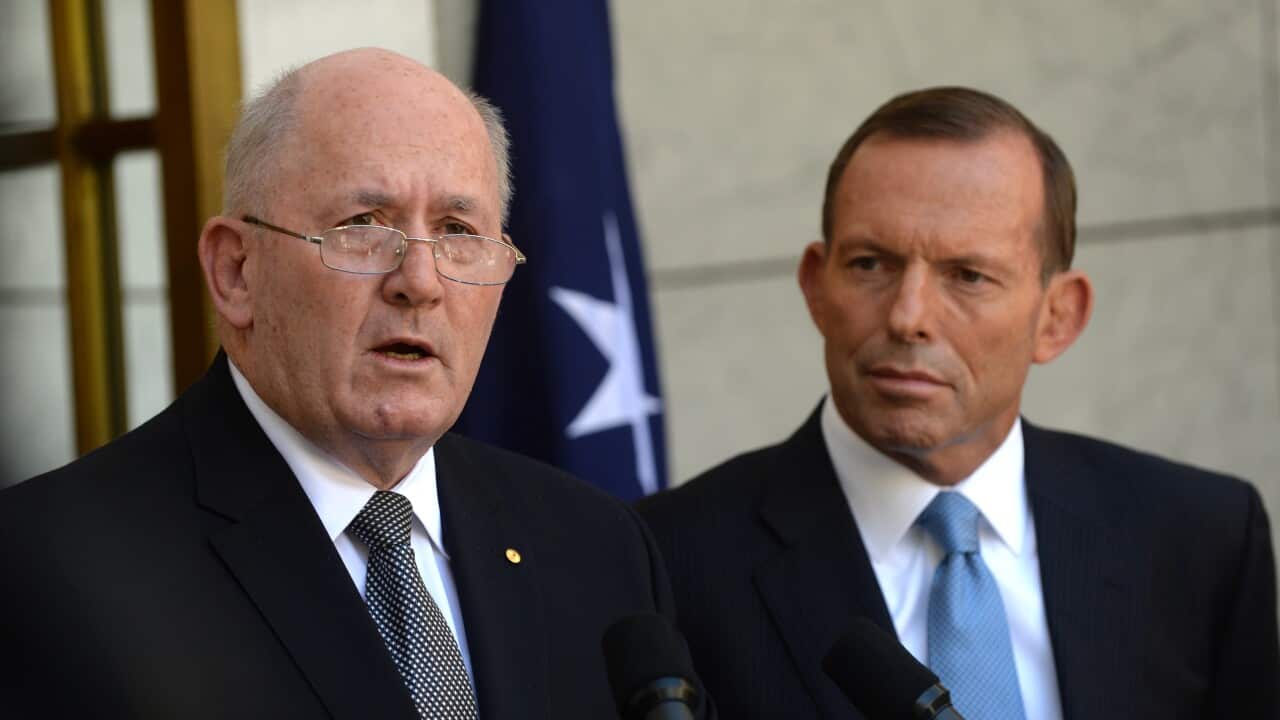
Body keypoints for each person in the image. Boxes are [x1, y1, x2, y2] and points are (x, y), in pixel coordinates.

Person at [0, 48, 703, 720]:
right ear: (236, 271)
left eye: (458, 230)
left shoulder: (597, 547)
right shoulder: (48, 568)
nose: (420, 283)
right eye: (363, 225)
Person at [637, 87, 1278, 719]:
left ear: (1059, 316)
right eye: (869, 264)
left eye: (967, 275)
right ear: (815, 285)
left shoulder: (1199, 538)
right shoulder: (663, 561)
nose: (908, 316)